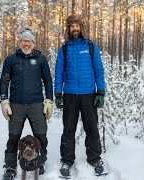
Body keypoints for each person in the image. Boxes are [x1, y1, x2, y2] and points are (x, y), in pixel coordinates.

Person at [54, 14, 106, 176]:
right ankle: (67, 160)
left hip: (89, 94)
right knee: (68, 129)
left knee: (91, 128)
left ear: (81, 28)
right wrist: (58, 93)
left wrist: (101, 92)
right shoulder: (64, 48)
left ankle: (95, 158)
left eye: (77, 26)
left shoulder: (91, 46)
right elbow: (59, 72)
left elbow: (98, 69)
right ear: (68, 29)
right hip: (69, 94)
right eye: (72, 26)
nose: (75, 29)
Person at [0, 28, 53, 180]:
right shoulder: (11, 59)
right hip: (16, 105)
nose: (26, 43)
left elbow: (48, 80)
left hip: (36, 104)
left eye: (29, 41)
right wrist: (4, 100)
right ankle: (10, 166)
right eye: (24, 40)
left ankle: (40, 161)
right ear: (20, 42)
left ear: (33, 43)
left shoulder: (41, 59)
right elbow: (4, 81)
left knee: (41, 136)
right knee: (13, 137)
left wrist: (49, 100)